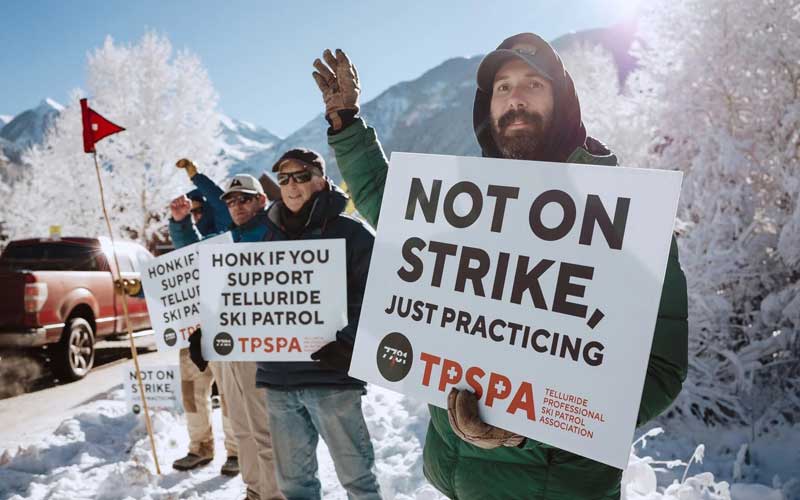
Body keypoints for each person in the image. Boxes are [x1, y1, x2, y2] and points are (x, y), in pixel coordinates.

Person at [312, 35, 688, 499]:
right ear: (486, 108)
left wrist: (529, 424)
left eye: (534, 83)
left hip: (562, 487)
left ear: (563, 100)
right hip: (459, 478)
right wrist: (346, 123)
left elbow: (662, 368)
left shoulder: (622, 211)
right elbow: (389, 207)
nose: (516, 98)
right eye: (503, 87)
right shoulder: (467, 202)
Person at [252, 148, 382, 500]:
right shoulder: (269, 237)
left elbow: (378, 294)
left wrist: (347, 344)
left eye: (301, 176)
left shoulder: (352, 234)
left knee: (358, 480)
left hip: (331, 376)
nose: (292, 186)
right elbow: (249, 298)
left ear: (321, 181)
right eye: (284, 179)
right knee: (294, 486)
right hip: (279, 379)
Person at [172, 172, 284, 500]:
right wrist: (180, 223)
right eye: (231, 201)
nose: (237, 205)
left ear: (261, 200)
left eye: (244, 198)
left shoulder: (274, 234)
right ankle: (253, 489)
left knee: (264, 428)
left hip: (262, 347)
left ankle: (274, 493)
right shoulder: (227, 239)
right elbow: (192, 260)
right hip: (227, 346)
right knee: (241, 424)